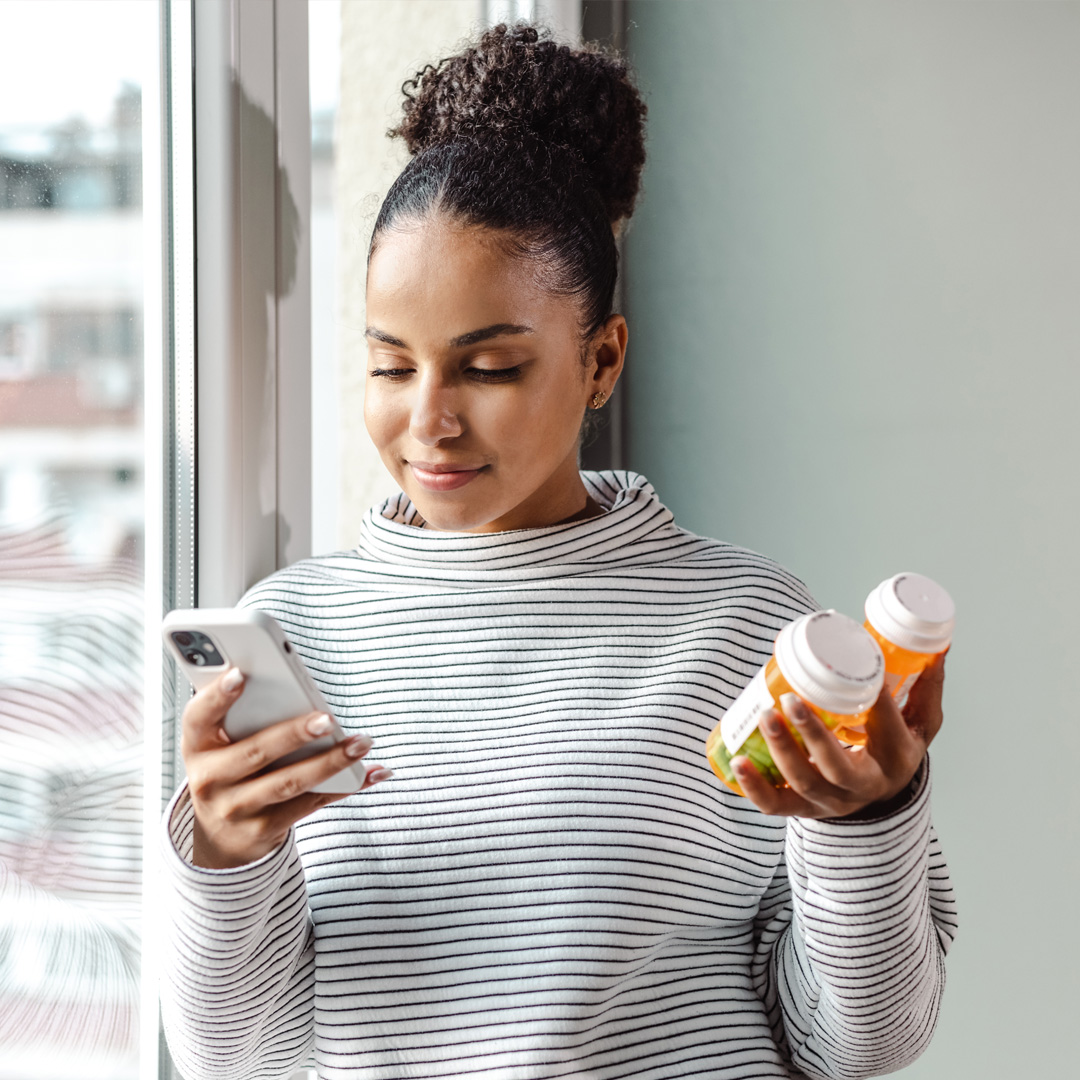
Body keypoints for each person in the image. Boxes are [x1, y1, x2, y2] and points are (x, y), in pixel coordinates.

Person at [159, 24, 957, 1080]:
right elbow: (241, 1060)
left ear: (601, 361)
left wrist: (870, 821)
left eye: (487, 368)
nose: (428, 421)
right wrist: (224, 858)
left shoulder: (746, 626)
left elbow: (858, 1045)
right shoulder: (291, 634)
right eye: (391, 367)